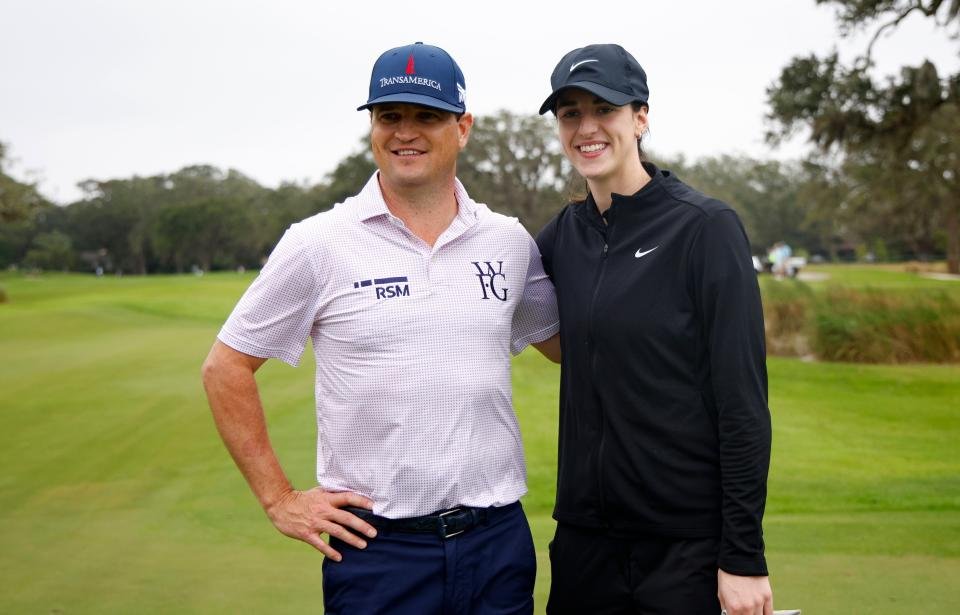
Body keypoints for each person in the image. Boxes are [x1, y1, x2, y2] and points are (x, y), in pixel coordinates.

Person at [202, 42, 560, 614]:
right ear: (372, 125)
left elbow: (565, 345)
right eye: (389, 116)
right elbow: (226, 367)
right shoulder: (318, 242)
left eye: (427, 116)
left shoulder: (508, 242)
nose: (405, 132)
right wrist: (279, 499)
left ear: (462, 127)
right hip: (379, 553)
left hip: (496, 543)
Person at [535, 44, 773, 615]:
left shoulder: (704, 228)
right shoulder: (562, 236)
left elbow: (742, 403)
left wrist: (742, 555)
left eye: (604, 109)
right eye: (571, 113)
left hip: (683, 549)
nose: (586, 128)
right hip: (585, 545)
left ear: (640, 117)